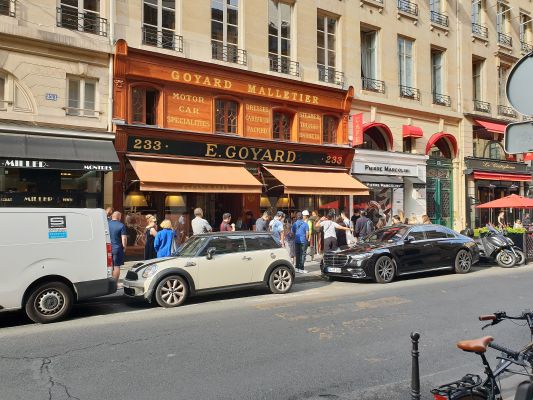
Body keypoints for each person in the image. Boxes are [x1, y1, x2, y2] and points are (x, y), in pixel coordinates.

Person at [108, 211, 127, 282]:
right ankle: (114, 284)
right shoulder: (121, 225)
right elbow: (124, 238)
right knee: (116, 266)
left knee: (109, 266)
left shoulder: (107, 224)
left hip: (107, 248)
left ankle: (109, 282)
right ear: (119, 217)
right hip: (117, 248)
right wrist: (124, 246)